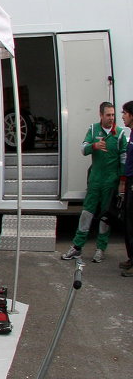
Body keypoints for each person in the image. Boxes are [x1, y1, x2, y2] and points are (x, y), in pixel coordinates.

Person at [62, 102, 128, 263]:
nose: (111, 118)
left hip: (110, 182)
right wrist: (95, 146)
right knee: (87, 212)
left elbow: (124, 159)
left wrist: (122, 181)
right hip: (95, 180)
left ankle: (100, 249)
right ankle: (77, 247)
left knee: (106, 215)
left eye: (113, 115)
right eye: (108, 115)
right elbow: (83, 149)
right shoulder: (93, 129)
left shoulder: (119, 133)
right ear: (101, 115)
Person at [120, 101, 133, 277]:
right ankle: (131, 258)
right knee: (128, 222)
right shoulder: (131, 134)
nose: (122, 116)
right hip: (130, 181)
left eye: (124, 113)